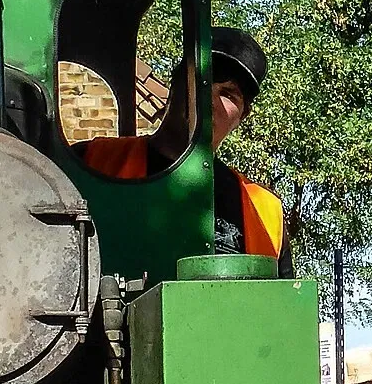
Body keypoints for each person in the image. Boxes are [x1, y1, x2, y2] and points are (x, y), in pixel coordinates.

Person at [78, 26, 291, 266]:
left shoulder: (266, 212)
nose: (209, 97)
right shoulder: (89, 161)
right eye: (203, 79)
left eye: (229, 94)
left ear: (243, 115)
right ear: (175, 82)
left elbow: (282, 301)